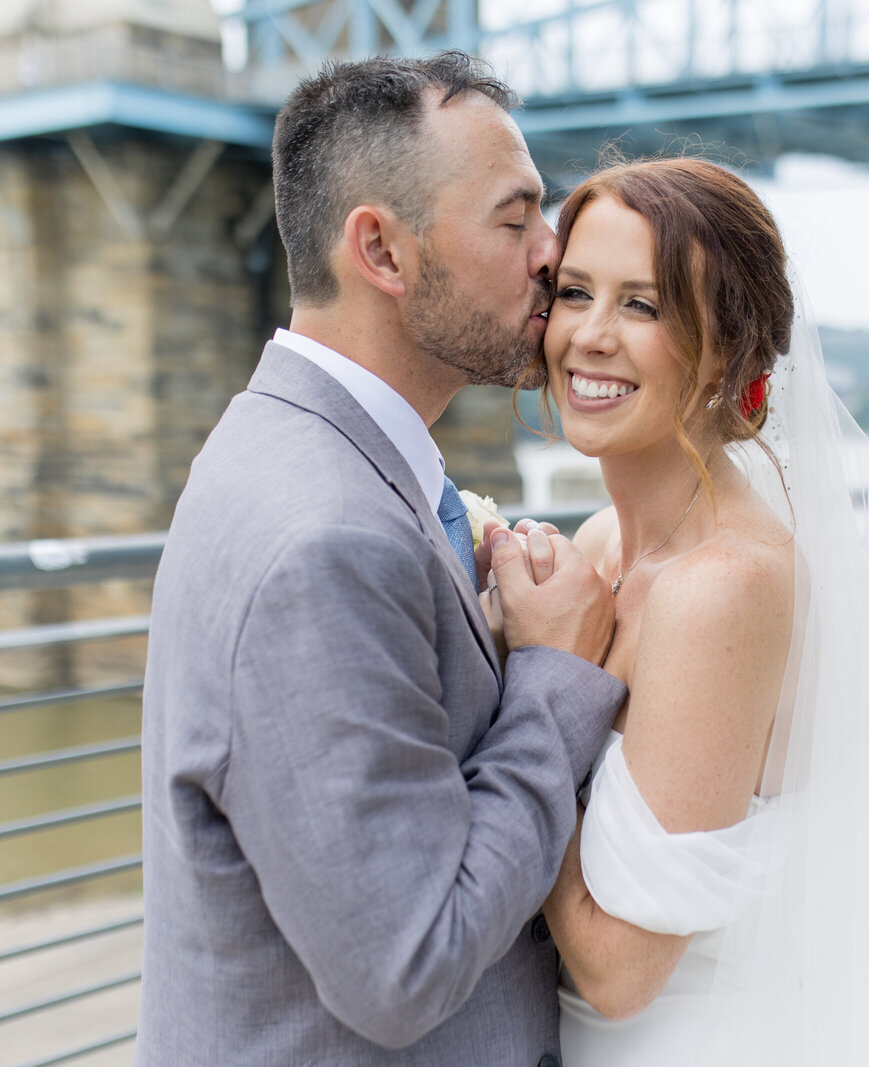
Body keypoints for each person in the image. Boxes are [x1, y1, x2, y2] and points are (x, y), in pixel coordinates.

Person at [135, 54, 629, 1066]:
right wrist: (553, 676)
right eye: (514, 216)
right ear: (383, 250)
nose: (553, 253)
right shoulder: (326, 536)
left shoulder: (297, 450)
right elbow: (405, 966)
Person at [505, 157, 869, 1064]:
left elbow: (619, 973)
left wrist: (536, 679)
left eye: (642, 306)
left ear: (728, 351)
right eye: (575, 292)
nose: (592, 335)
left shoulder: (724, 585)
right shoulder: (605, 541)